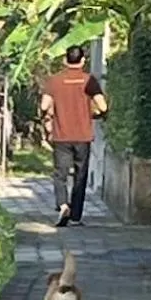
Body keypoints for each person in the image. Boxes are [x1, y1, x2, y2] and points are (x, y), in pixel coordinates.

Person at [40, 46, 107, 227]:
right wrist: (92, 114)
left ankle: (62, 205)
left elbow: (45, 106)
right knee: (80, 175)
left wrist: (49, 118)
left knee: (60, 174)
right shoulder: (89, 81)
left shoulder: (54, 81)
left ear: (64, 60)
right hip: (83, 135)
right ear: (83, 61)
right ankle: (76, 215)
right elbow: (103, 107)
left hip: (61, 135)